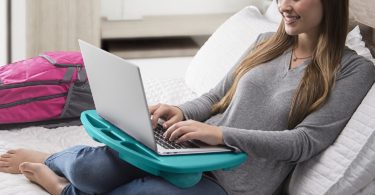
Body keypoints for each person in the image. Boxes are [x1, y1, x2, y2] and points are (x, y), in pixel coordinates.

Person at [1, 0, 375, 194]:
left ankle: (62, 187)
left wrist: (222, 136)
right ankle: (56, 159)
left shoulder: (354, 70)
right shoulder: (266, 44)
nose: (283, 5)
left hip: (232, 184)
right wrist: (178, 110)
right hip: (188, 151)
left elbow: (306, 142)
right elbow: (215, 97)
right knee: (91, 169)